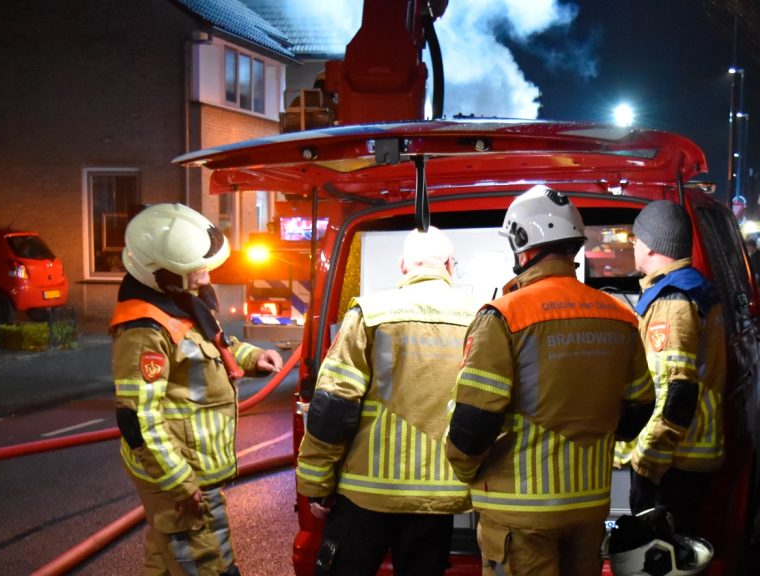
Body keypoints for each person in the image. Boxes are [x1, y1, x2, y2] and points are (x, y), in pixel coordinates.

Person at [445, 185, 655, 576]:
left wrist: (464, 471)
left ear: (524, 246)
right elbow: (640, 406)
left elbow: (474, 422)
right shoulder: (620, 316)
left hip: (520, 516)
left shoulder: (504, 316)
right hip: (589, 508)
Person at [110, 203, 284, 576]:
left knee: (166, 562)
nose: (205, 277)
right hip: (182, 474)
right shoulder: (144, 330)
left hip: (190, 468)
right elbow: (137, 418)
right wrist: (180, 484)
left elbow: (212, 344)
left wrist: (253, 357)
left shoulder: (177, 301)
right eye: (195, 269)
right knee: (209, 564)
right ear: (161, 270)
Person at [296, 226, 480, 575]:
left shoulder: (372, 312)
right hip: (438, 500)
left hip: (366, 495)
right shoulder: (481, 317)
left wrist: (316, 483)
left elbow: (334, 406)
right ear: (450, 266)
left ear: (402, 266)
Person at [625, 200, 727, 536]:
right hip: (685, 455)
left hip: (673, 462)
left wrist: (647, 462)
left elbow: (674, 391)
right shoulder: (689, 287)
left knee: (660, 555)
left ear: (653, 244)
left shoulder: (672, 301)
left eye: (636, 238)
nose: (633, 244)